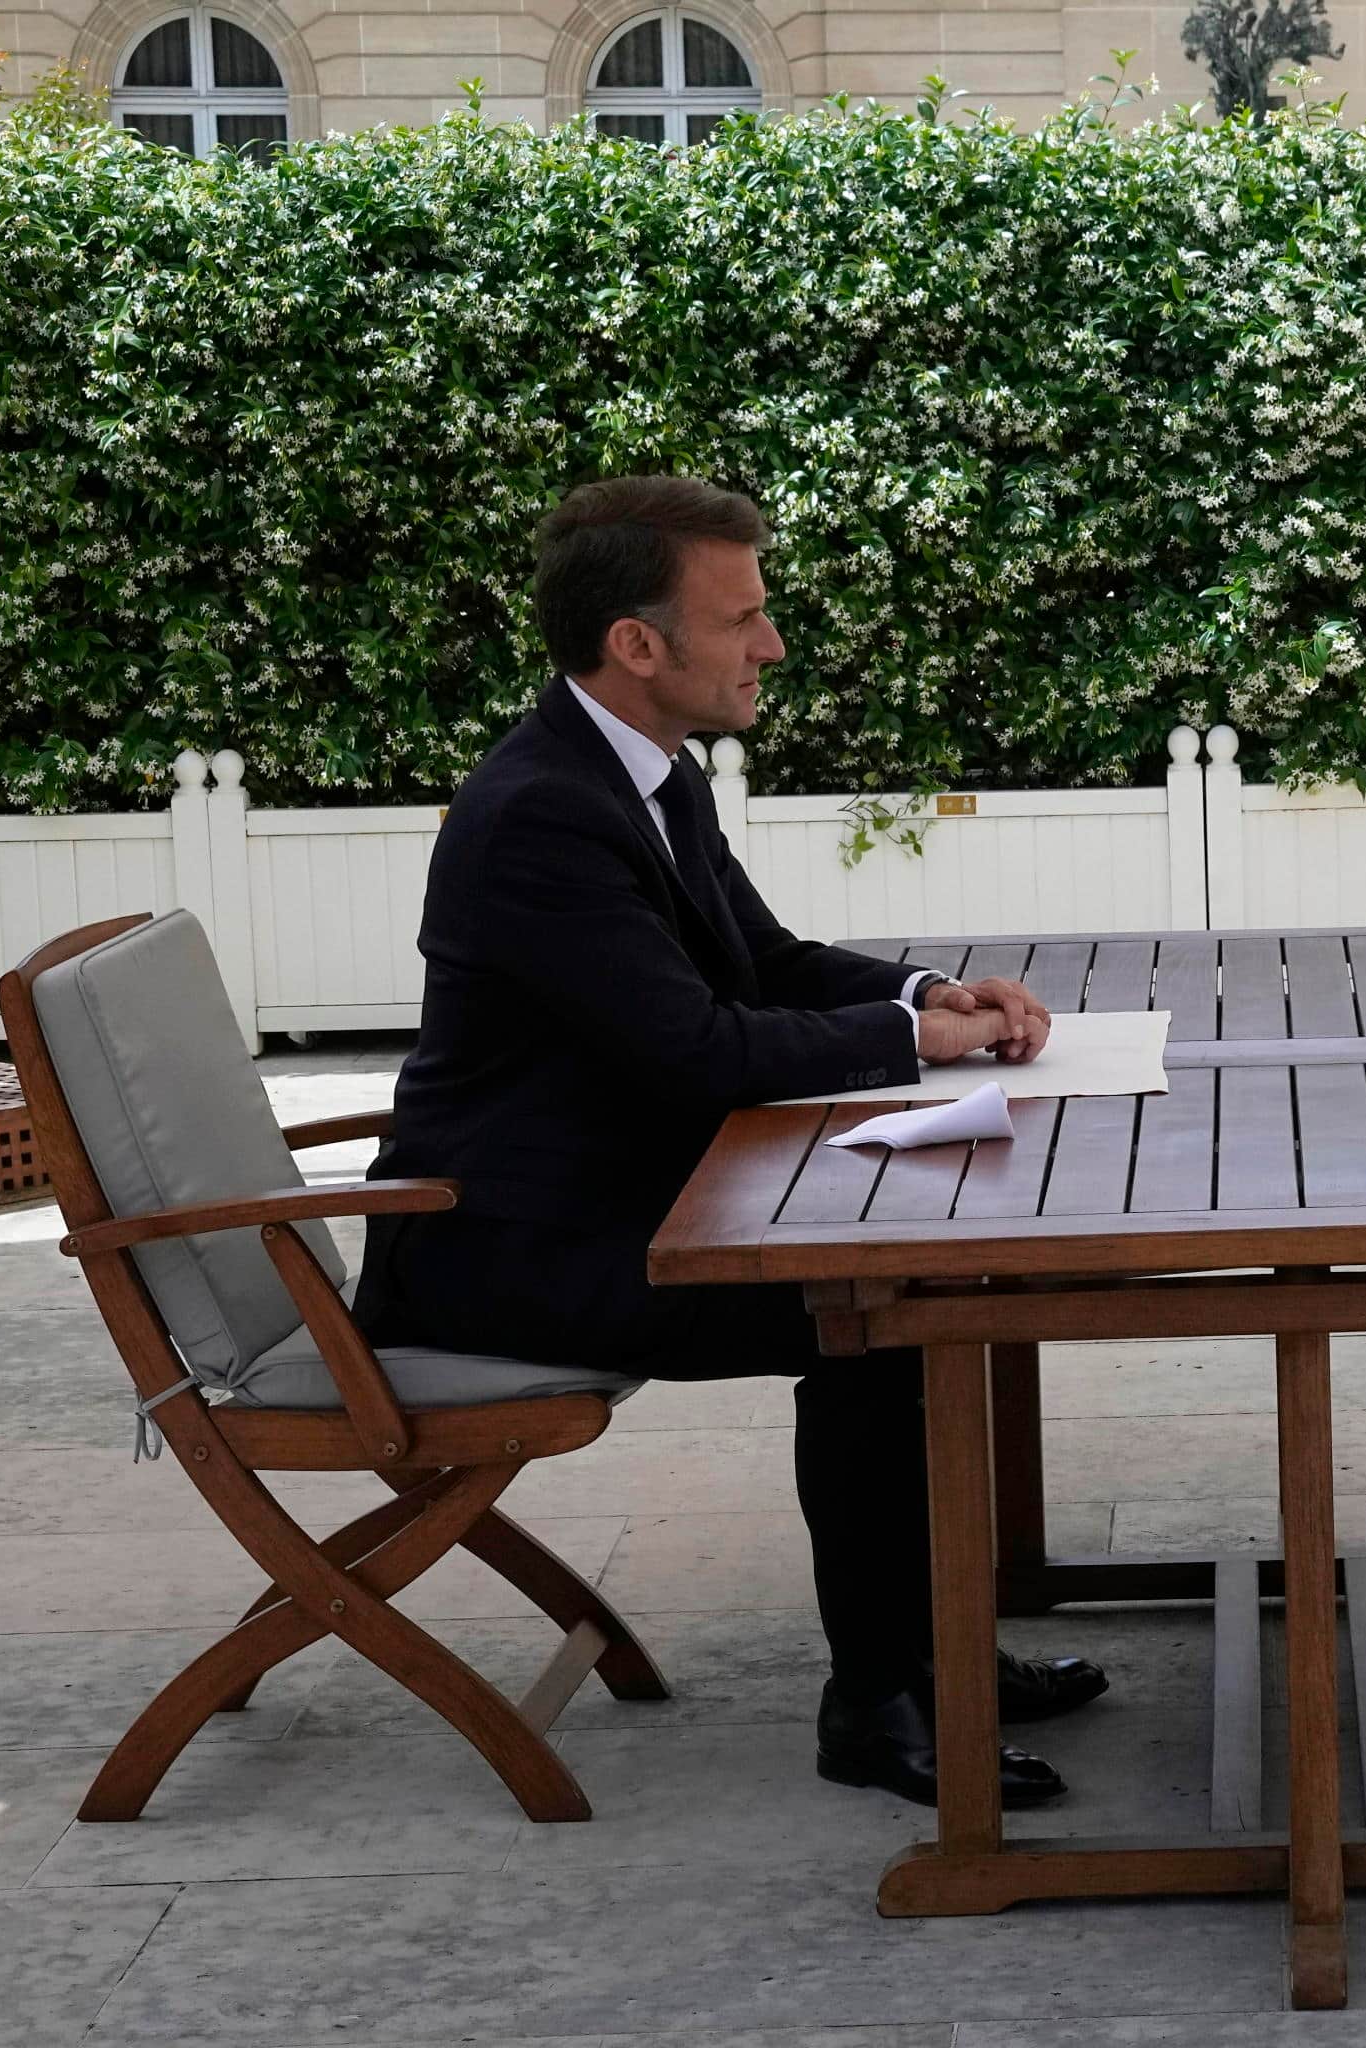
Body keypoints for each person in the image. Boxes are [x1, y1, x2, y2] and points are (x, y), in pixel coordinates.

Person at [358, 476, 1104, 1809]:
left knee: (911, 1287)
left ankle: (932, 1661)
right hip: (505, 1253)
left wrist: (926, 996)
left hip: (617, 1197)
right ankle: (876, 1704)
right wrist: (915, 1047)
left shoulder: (642, 773)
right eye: (744, 616)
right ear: (637, 645)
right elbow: (698, 1048)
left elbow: (763, 961)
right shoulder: (543, 813)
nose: (771, 645)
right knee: (870, 1314)